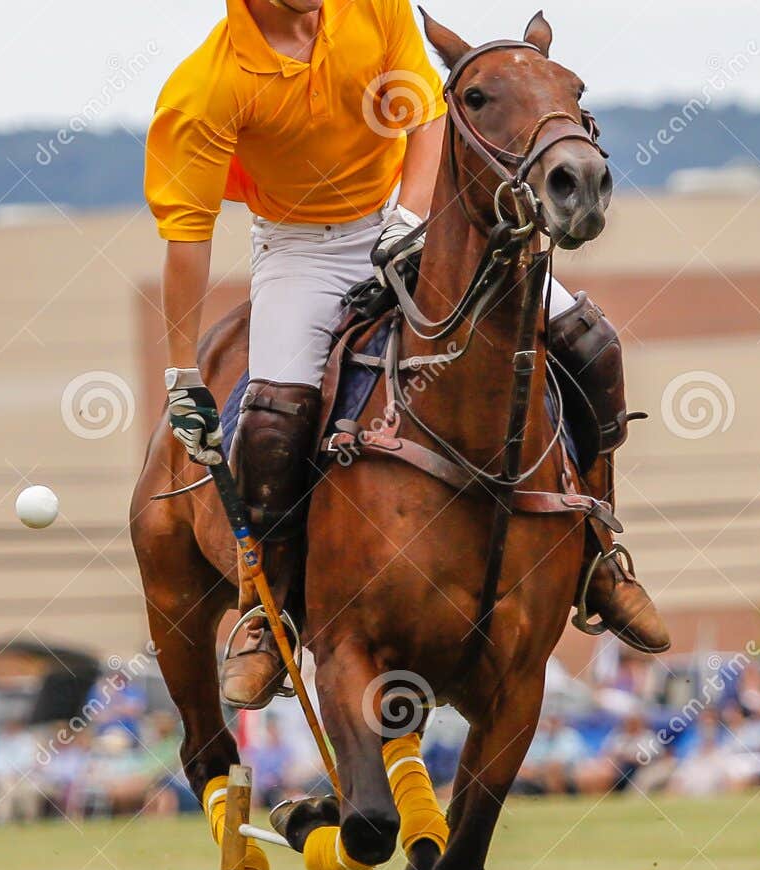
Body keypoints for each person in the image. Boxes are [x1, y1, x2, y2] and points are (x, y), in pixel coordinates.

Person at [146, 0, 668, 710]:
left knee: (592, 344)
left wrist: (409, 219)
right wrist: (182, 372)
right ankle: (267, 617)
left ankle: (601, 555)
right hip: (302, 249)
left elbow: (427, 116)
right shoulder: (205, 87)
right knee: (272, 421)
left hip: (413, 213)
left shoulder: (372, 7)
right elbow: (188, 236)